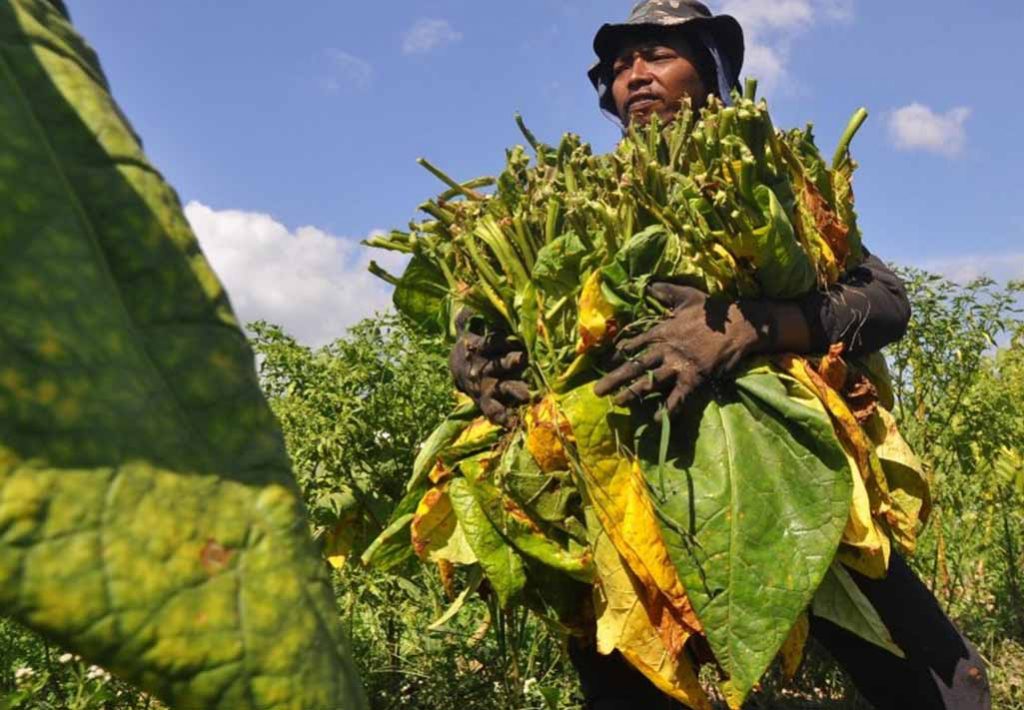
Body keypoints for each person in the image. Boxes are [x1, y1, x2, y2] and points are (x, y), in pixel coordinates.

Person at [448, 2, 991, 707]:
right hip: (619, 481)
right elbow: (488, 313)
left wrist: (748, 326)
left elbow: (884, 300)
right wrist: (472, 355)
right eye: (619, 67)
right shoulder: (579, 195)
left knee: (941, 682)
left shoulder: (765, 176)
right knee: (635, 683)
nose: (635, 76)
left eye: (659, 56)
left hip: (779, 459)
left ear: (712, 73)